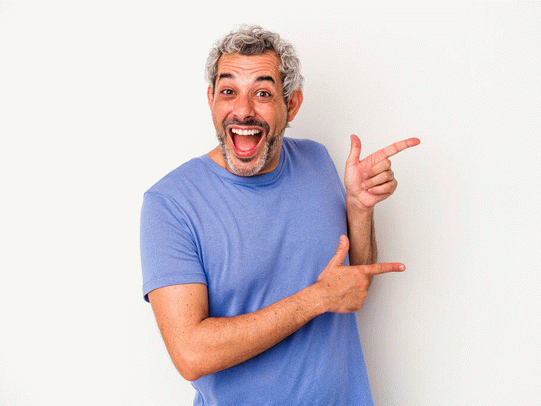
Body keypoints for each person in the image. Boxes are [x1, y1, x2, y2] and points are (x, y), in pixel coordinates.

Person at [140, 25, 420, 405]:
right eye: (228, 91)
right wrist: (316, 298)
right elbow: (191, 354)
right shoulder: (171, 203)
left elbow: (352, 286)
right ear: (211, 99)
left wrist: (358, 207)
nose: (243, 110)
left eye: (262, 93)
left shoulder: (316, 161)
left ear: (292, 104)